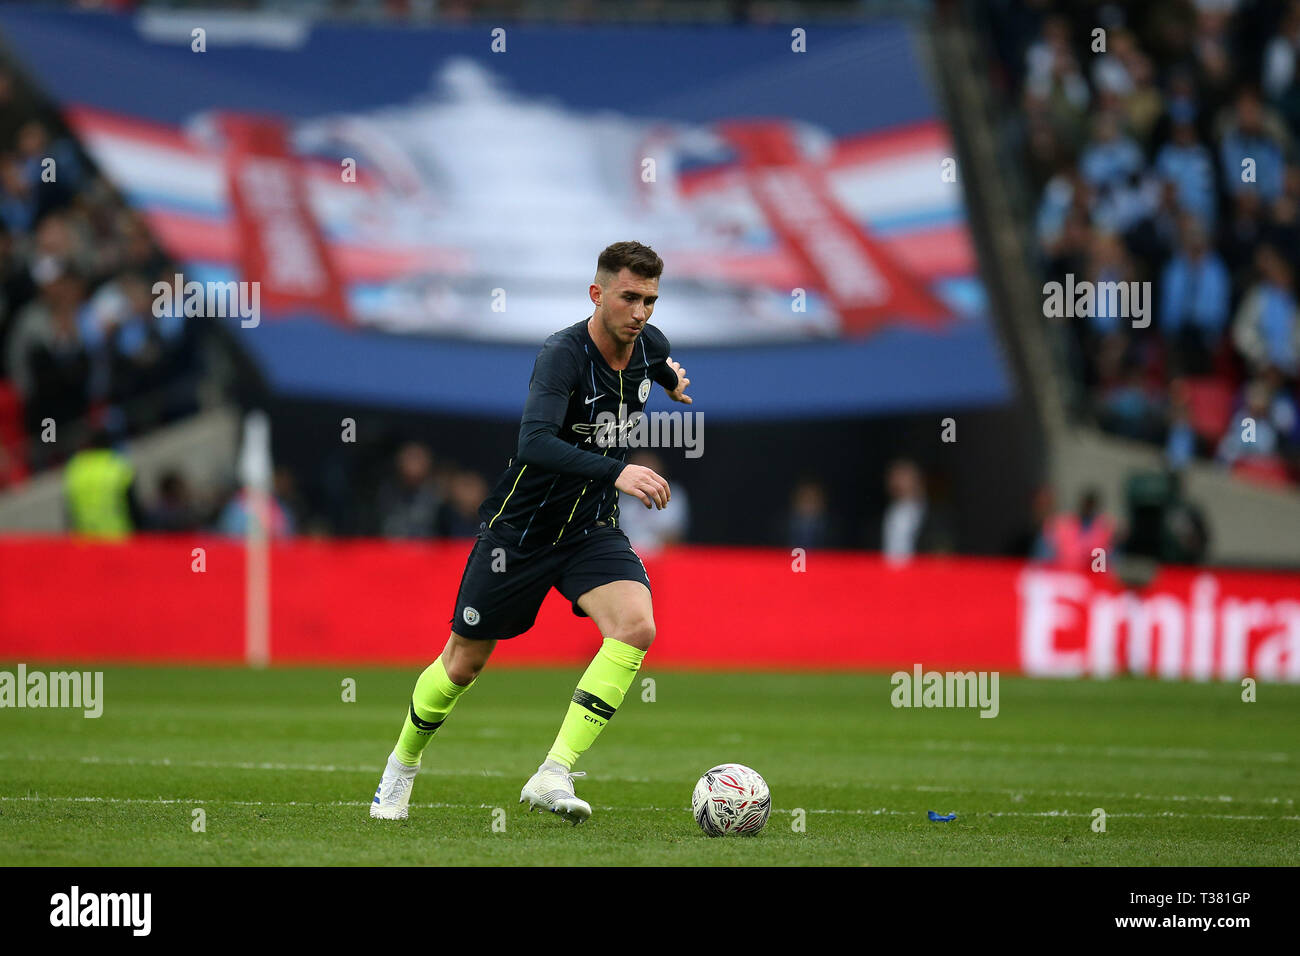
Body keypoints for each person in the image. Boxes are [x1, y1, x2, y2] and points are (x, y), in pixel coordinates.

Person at [370, 241, 691, 825]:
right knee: (462, 666)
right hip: (519, 534)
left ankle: (554, 772)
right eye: (629, 298)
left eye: (650, 299)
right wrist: (619, 469)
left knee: (636, 625)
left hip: (591, 530)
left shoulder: (651, 347)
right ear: (597, 294)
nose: (641, 312)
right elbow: (535, 443)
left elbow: (657, 361)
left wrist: (669, 378)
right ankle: (401, 766)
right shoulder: (562, 355)